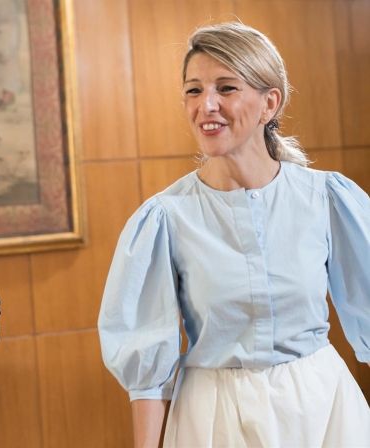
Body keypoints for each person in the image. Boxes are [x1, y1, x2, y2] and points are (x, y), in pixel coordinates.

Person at [98, 22, 370, 448]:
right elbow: (147, 370)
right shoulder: (164, 219)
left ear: (269, 103)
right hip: (214, 419)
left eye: (226, 88)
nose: (206, 105)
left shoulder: (326, 199)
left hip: (325, 410)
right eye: (194, 91)